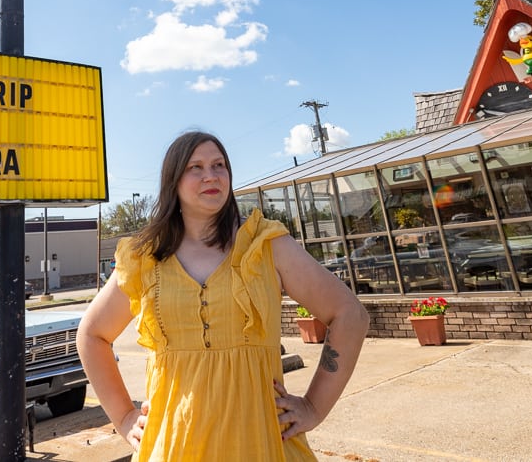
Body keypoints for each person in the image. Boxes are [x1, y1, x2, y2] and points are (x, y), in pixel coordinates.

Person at [77, 130, 369, 461]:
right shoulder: (144, 256)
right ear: (173, 180)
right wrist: (125, 417)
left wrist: (314, 406)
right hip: (174, 445)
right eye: (195, 167)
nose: (211, 175)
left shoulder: (265, 244)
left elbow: (350, 314)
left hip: (262, 443)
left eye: (219, 165)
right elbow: (92, 335)